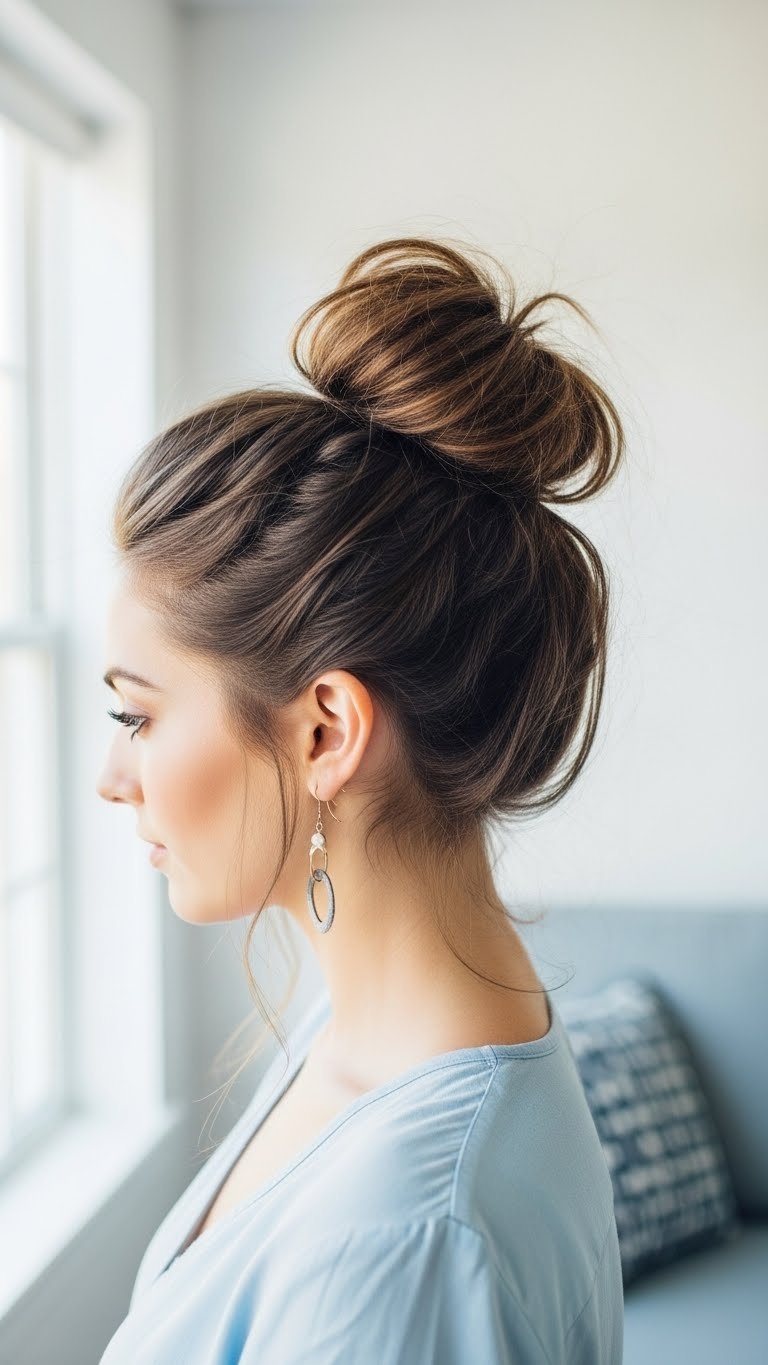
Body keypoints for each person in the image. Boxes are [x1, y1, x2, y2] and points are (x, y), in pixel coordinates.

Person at [96, 236, 626, 1363]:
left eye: (137, 715)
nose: (115, 776)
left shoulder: (406, 1246)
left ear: (325, 731)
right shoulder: (368, 1032)